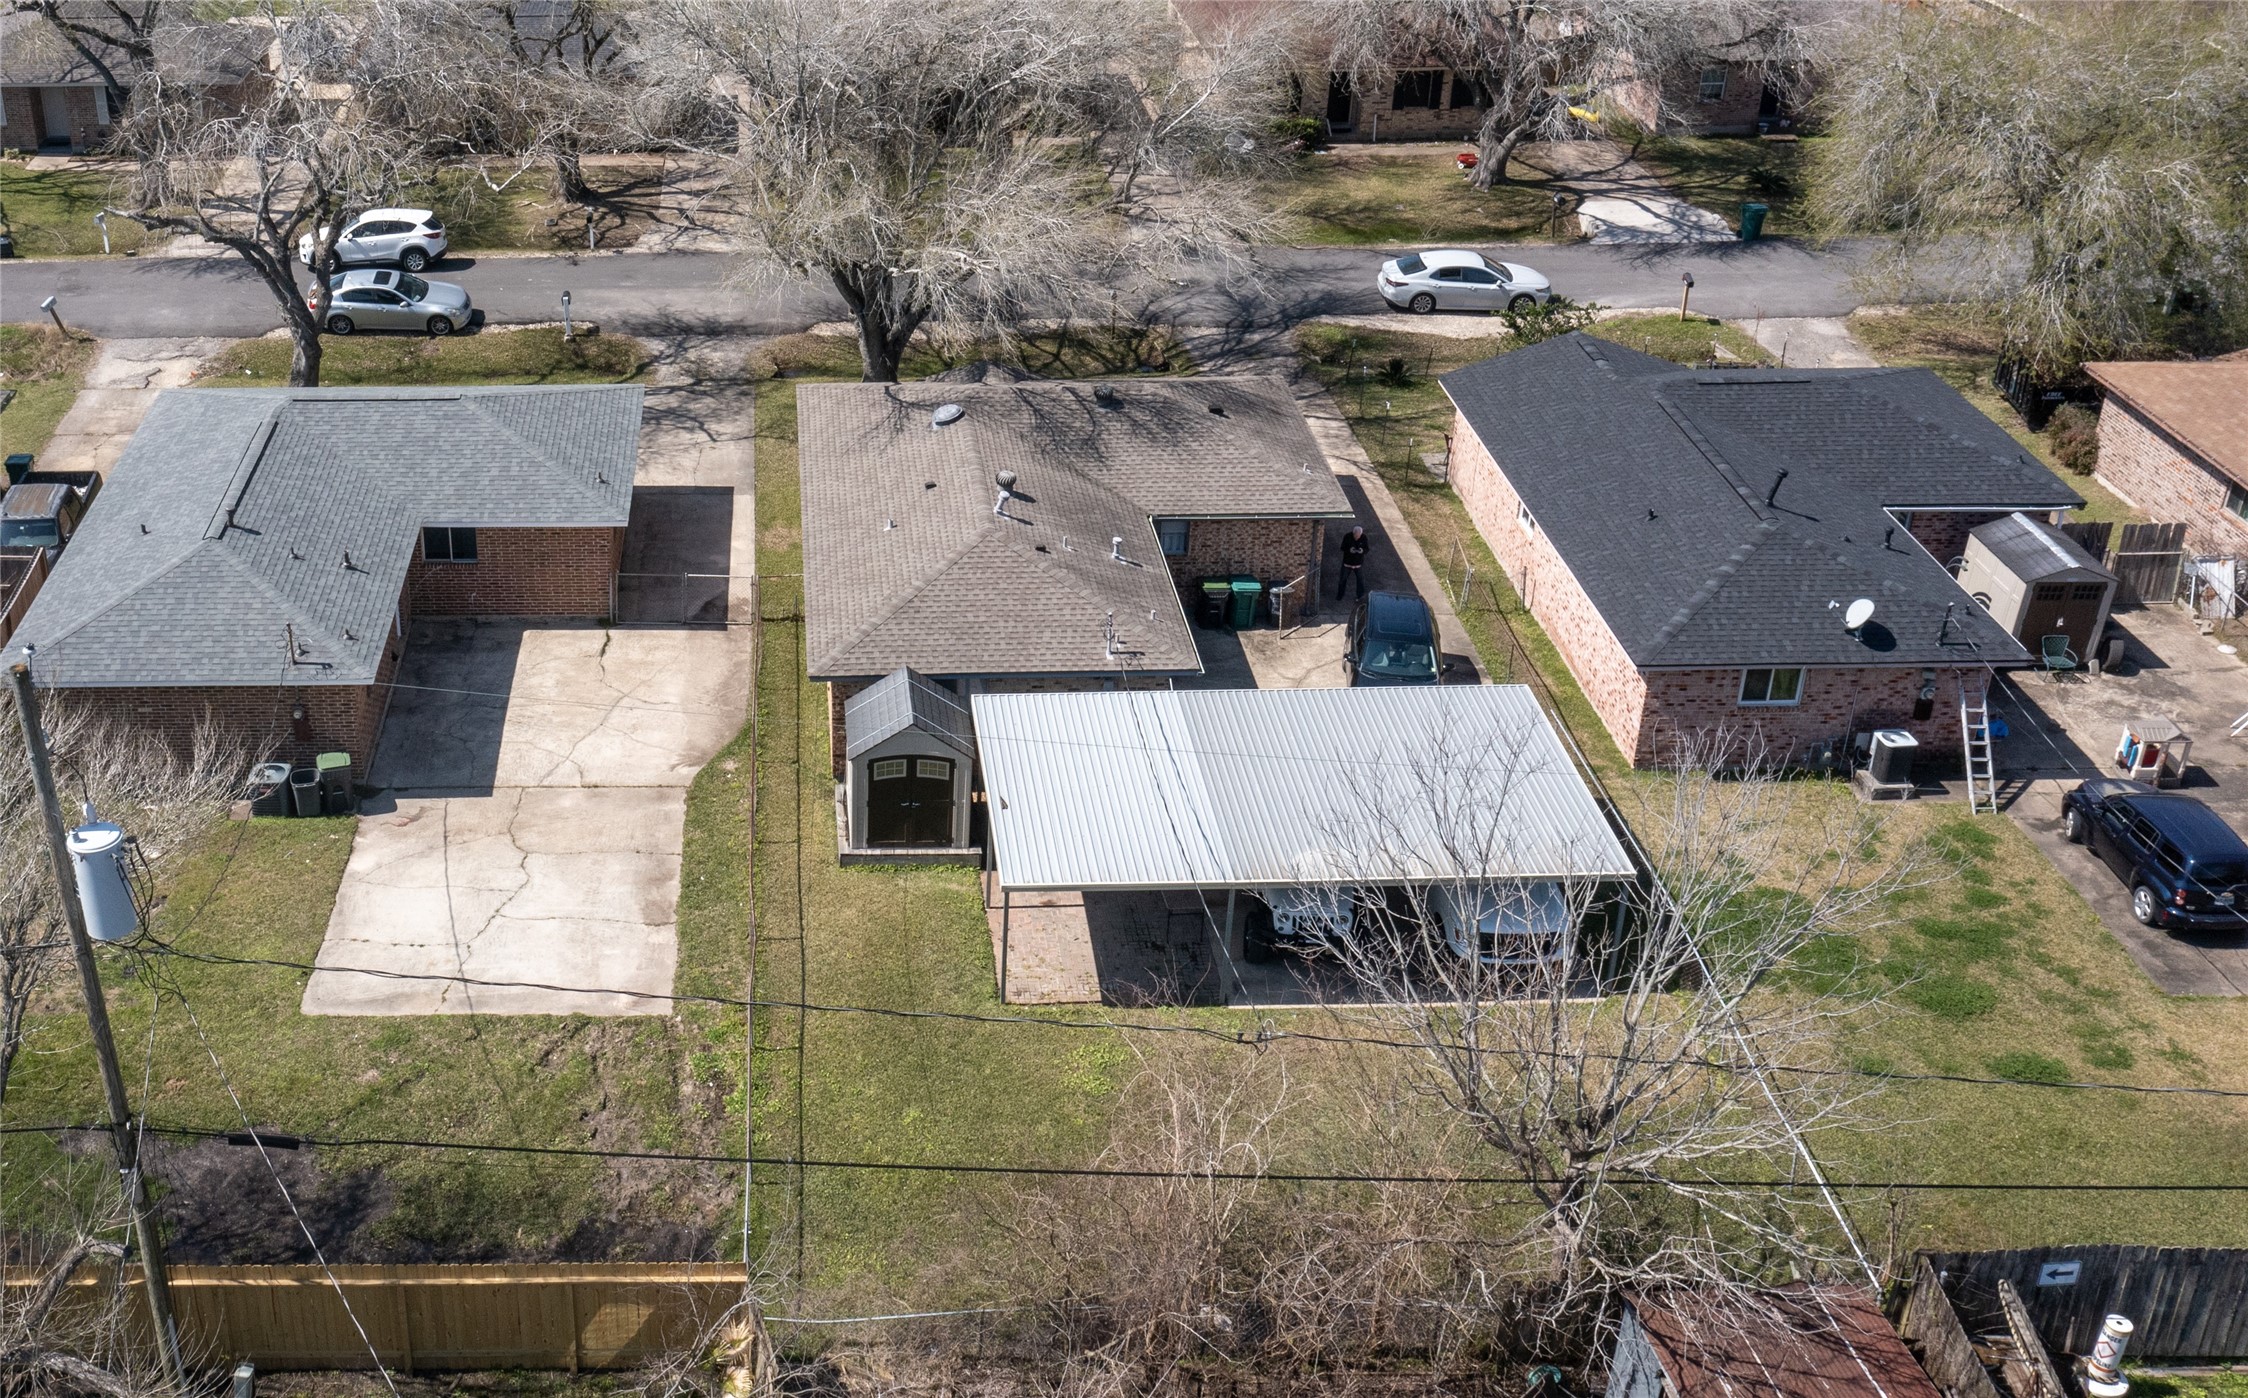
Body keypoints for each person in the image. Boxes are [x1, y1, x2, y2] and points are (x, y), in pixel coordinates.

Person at [1335, 524, 1370, 600]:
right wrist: (1349, 550)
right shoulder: (1347, 537)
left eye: (1359, 536)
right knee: (1342, 580)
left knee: (1360, 581)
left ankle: (1360, 596)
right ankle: (1340, 595)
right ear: (1353, 533)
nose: (1357, 538)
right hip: (1347, 564)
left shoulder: (1364, 538)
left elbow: (1367, 549)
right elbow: (1342, 548)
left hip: (1358, 564)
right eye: (1356, 536)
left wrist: (1362, 551)